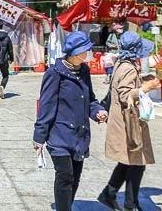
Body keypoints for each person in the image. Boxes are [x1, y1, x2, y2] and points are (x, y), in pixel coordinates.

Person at [34, 32, 108, 211]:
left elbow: (90, 99)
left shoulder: (84, 71)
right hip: (59, 135)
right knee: (65, 175)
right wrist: (39, 138)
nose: (89, 54)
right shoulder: (54, 74)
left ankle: (66, 206)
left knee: (75, 177)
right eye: (86, 50)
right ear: (76, 52)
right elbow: (46, 106)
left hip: (80, 135)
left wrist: (98, 111)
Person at [98, 31, 159, 211]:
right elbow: (125, 95)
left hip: (123, 120)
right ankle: (129, 204)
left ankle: (110, 194)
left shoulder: (122, 64)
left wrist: (141, 81)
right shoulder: (128, 67)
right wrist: (147, 87)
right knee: (137, 161)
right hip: (128, 122)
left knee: (129, 160)